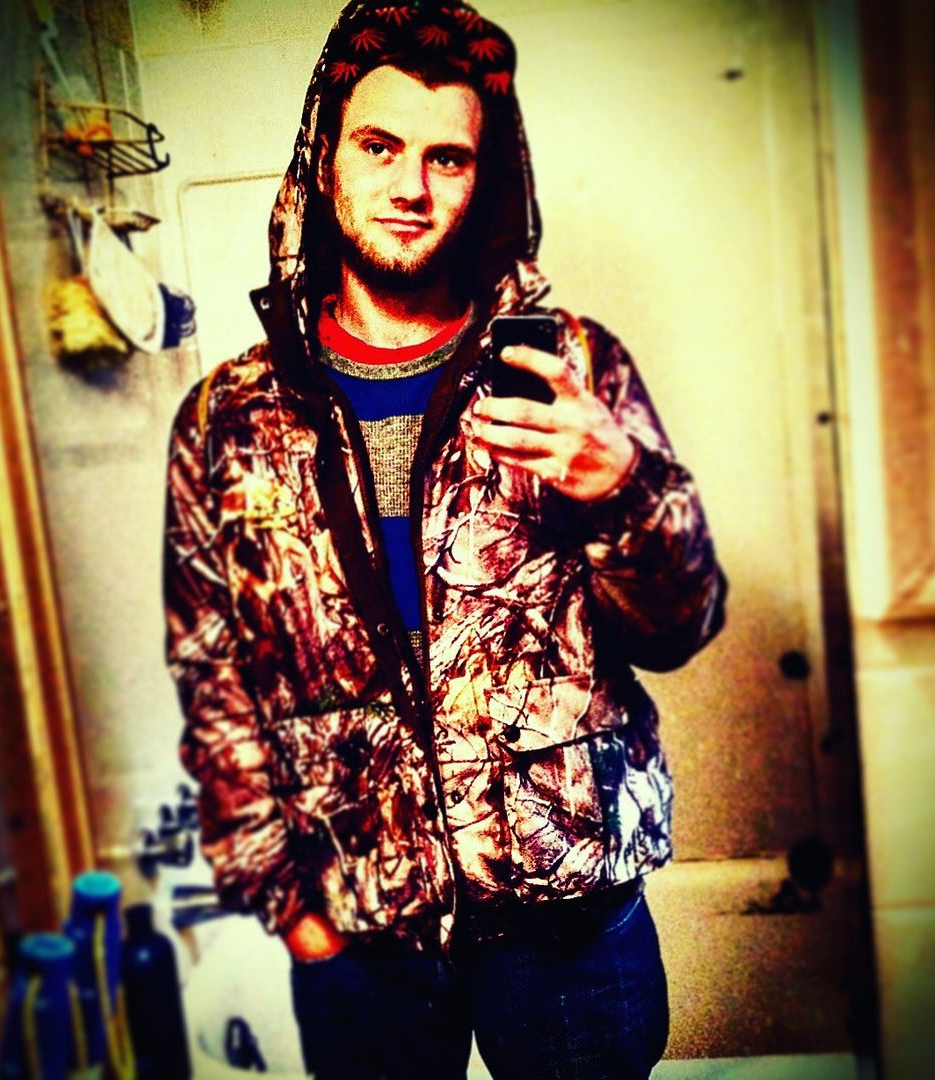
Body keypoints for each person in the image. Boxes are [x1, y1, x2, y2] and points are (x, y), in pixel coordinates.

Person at [163, 3, 726, 1077]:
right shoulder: (229, 417)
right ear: (323, 159)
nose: (410, 187)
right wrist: (293, 911)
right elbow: (213, 677)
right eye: (379, 147)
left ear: (485, 179)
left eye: (447, 158)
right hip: (359, 928)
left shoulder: (572, 370)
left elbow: (681, 624)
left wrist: (622, 486)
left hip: (568, 916)